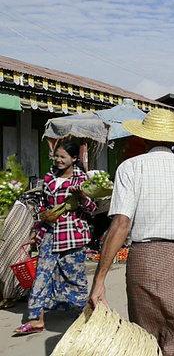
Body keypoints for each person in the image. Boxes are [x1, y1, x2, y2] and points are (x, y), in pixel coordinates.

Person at [87, 109, 174, 356]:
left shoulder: (130, 168)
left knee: (145, 334)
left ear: (144, 138)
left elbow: (121, 224)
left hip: (142, 259)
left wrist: (99, 281)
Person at [14, 140, 96, 335]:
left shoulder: (82, 179)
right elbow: (43, 202)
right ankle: (36, 320)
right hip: (49, 234)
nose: (58, 160)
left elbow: (92, 209)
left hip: (72, 236)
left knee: (74, 278)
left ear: (74, 159)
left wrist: (83, 197)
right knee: (41, 277)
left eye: (62, 157)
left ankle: (86, 315)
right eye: (56, 156)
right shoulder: (50, 176)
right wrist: (42, 218)